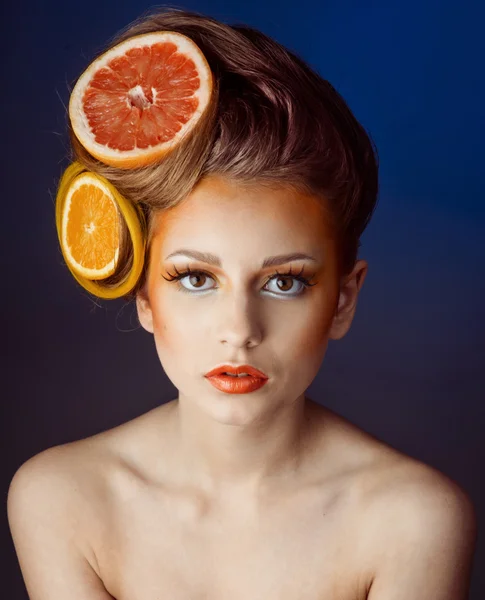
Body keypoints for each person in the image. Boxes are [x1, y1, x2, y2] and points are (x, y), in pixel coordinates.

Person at [7, 7, 477, 600]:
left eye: (284, 282)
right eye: (196, 278)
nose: (240, 331)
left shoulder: (412, 523)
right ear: (145, 295)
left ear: (343, 300)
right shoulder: (61, 499)